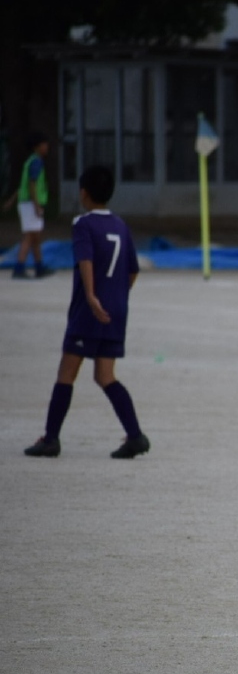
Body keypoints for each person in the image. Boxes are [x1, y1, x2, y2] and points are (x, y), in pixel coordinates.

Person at [24, 165, 150, 460]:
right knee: (105, 375)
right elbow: (133, 270)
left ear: (84, 193)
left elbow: (86, 261)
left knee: (66, 372)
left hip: (89, 311)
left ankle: (51, 439)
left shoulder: (83, 224)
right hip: (117, 310)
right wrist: (118, 296)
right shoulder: (120, 225)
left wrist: (92, 296)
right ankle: (135, 436)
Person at [2, 131, 55, 280]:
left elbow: (22, 185)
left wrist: (11, 200)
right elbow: (32, 184)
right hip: (31, 204)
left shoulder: (30, 161)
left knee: (35, 238)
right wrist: (36, 205)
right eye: (44, 144)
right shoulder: (36, 162)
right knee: (29, 237)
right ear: (37, 146)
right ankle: (19, 267)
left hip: (27, 203)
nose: (47, 147)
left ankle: (39, 267)